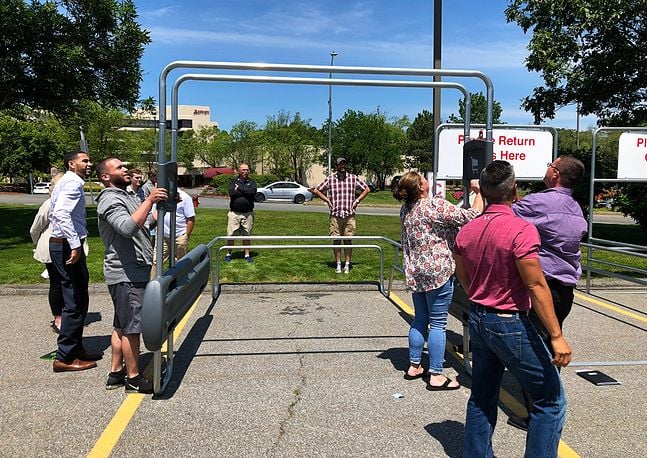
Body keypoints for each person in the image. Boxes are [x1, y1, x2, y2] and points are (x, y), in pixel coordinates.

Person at [453, 160, 572, 458]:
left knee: (482, 396)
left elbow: (464, 278)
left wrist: (481, 296)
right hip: (509, 322)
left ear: (485, 191)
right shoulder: (522, 230)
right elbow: (535, 285)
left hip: (478, 318)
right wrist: (556, 335)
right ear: (514, 190)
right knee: (550, 400)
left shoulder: (467, 231)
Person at [508, 154, 587, 430]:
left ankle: (540, 415)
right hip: (566, 290)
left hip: (544, 287)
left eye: (549, 165)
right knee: (548, 346)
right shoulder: (576, 207)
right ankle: (549, 404)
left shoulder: (540, 201)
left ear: (555, 174)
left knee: (536, 351)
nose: (546, 169)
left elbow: (507, 213)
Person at [394, 172, 483, 390]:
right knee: (438, 323)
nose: (428, 181)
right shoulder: (434, 206)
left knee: (420, 319)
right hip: (438, 272)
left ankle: (414, 365)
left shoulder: (406, 209)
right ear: (421, 188)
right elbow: (472, 215)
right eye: (424, 180)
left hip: (416, 272)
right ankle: (436, 374)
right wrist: (478, 192)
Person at [96, 157, 168, 393]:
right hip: (125, 273)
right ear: (106, 176)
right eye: (119, 168)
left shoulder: (126, 195)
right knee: (132, 328)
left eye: (125, 166)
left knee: (121, 324)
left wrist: (159, 207)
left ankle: (116, 372)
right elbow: (126, 229)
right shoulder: (109, 199)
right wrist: (148, 199)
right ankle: (133, 378)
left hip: (133, 270)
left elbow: (142, 223)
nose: (125, 169)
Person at [49, 151, 101, 372]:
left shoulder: (70, 181)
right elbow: (61, 213)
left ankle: (76, 348)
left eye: (90, 161)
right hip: (66, 245)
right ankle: (65, 356)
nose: (89, 164)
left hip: (65, 243)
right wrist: (75, 244)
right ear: (71, 164)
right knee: (73, 300)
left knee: (79, 297)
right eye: (84, 161)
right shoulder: (72, 183)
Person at [312, 158, 370, 273]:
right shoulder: (330, 179)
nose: (342, 166)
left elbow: (366, 189)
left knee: (348, 240)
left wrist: (357, 201)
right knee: (336, 240)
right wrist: (327, 200)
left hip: (349, 215)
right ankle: (338, 264)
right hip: (335, 215)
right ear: (336, 166)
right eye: (340, 164)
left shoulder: (353, 178)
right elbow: (317, 190)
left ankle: (347, 264)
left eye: (344, 163)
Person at [30, 173, 66, 333]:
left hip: (69, 247)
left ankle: (68, 312)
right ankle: (58, 316)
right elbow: (36, 226)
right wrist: (37, 241)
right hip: (52, 246)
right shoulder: (50, 203)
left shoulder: (71, 202)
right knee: (56, 282)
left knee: (69, 282)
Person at [151, 187, 196, 276]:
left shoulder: (185, 197)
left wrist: (185, 236)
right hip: (162, 235)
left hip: (179, 236)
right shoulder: (159, 196)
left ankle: (179, 282)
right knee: (156, 261)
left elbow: (190, 218)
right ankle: (152, 285)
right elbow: (154, 214)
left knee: (180, 262)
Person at [225, 163, 257, 263]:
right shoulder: (233, 182)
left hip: (248, 214)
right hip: (234, 213)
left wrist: (239, 189)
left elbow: (252, 192)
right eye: (243, 170)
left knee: (246, 235)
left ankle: (247, 255)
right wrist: (245, 192)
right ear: (239, 171)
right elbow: (231, 193)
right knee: (231, 234)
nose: (245, 172)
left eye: (247, 170)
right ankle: (228, 254)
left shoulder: (252, 182)